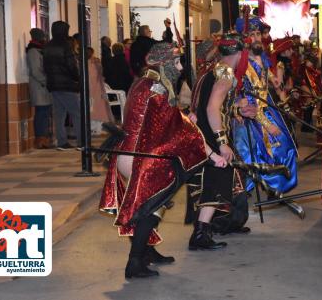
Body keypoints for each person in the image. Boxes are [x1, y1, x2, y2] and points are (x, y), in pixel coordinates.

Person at [100, 41, 212, 279]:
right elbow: (172, 126)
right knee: (150, 209)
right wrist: (201, 142)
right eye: (176, 62)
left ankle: (148, 252)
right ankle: (135, 263)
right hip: (140, 156)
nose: (180, 67)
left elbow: (164, 120)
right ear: (164, 63)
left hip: (130, 152)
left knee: (154, 206)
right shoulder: (156, 88)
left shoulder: (145, 81)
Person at [188, 32, 252, 249]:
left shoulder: (210, 69)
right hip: (212, 133)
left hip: (205, 130)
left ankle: (221, 225)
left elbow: (212, 104)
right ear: (240, 52)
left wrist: (237, 109)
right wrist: (222, 141)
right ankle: (200, 234)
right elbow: (212, 107)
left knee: (224, 181)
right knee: (215, 182)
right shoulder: (225, 72)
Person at [231, 22, 302, 217]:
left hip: (267, 109)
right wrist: (268, 125)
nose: (256, 38)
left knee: (286, 147)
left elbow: (264, 72)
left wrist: (273, 79)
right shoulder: (243, 64)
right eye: (251, 34)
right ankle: (240, 200)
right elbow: (250, 100)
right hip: (251, 116)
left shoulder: (261, 57)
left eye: (258, 34)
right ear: (245, 39)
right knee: (258, 153)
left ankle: (275, 189)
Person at [43, 21, 81, 150]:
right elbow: (71, 66)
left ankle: (61, 142)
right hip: (67, 84)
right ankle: (82, 142)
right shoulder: (65, 45)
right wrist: (77, 78)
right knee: (76, 113)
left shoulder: (47, 46)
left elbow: (45, 67)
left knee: (59, 114)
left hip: (53, 84)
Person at [26, 28, 53, 149]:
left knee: (45, 113)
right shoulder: (33, 51)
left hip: (44, 88)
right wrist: (46, 81)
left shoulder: (40, 50)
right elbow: (35, 71)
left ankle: (45, 138)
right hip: (39, 87)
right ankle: (40, 140)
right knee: (41, 113)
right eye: (42, 36)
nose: (44, 38)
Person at [87, 47, 114, 134]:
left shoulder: (85, 64)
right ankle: (97, 128)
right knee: (98, 110)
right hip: (97, 91)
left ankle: (93, 128)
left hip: (90, 92)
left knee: (91, 110)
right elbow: (100, 75)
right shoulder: (95, 64)